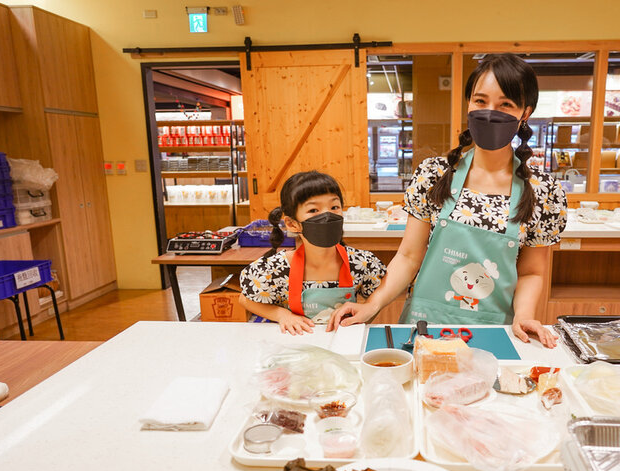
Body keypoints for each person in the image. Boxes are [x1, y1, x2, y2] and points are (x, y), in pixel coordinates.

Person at [330, 53, 567, 347]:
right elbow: (408, 257)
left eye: (505, 104)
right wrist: (372, 304)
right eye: (480, 101)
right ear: (468, 104)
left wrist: (524, 315)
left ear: (525, 113)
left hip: (494, 332)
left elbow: (531, 272)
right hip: (425, 326)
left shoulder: (543, 191)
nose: (490, 112)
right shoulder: (434, 175)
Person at [239, 171, 387, 335]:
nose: (327, 215)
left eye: (334, 207)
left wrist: (363, 317)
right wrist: (282, 315)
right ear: (292, 224)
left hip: (342, 343)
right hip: (295, 342)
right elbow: (245, 299)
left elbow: (380, 295)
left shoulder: (361, 263)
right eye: (313, 210)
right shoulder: (276, 268)